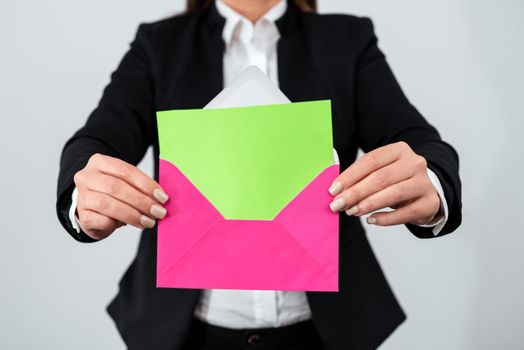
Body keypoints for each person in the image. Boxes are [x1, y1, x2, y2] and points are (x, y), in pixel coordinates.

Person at [56, 0, 462, 349]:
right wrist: (85, 192)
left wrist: (433, 184)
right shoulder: (159, 45)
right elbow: (94, 143)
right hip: (185, 332)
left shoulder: (347, 39)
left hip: (325, 330)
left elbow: (422, 145)